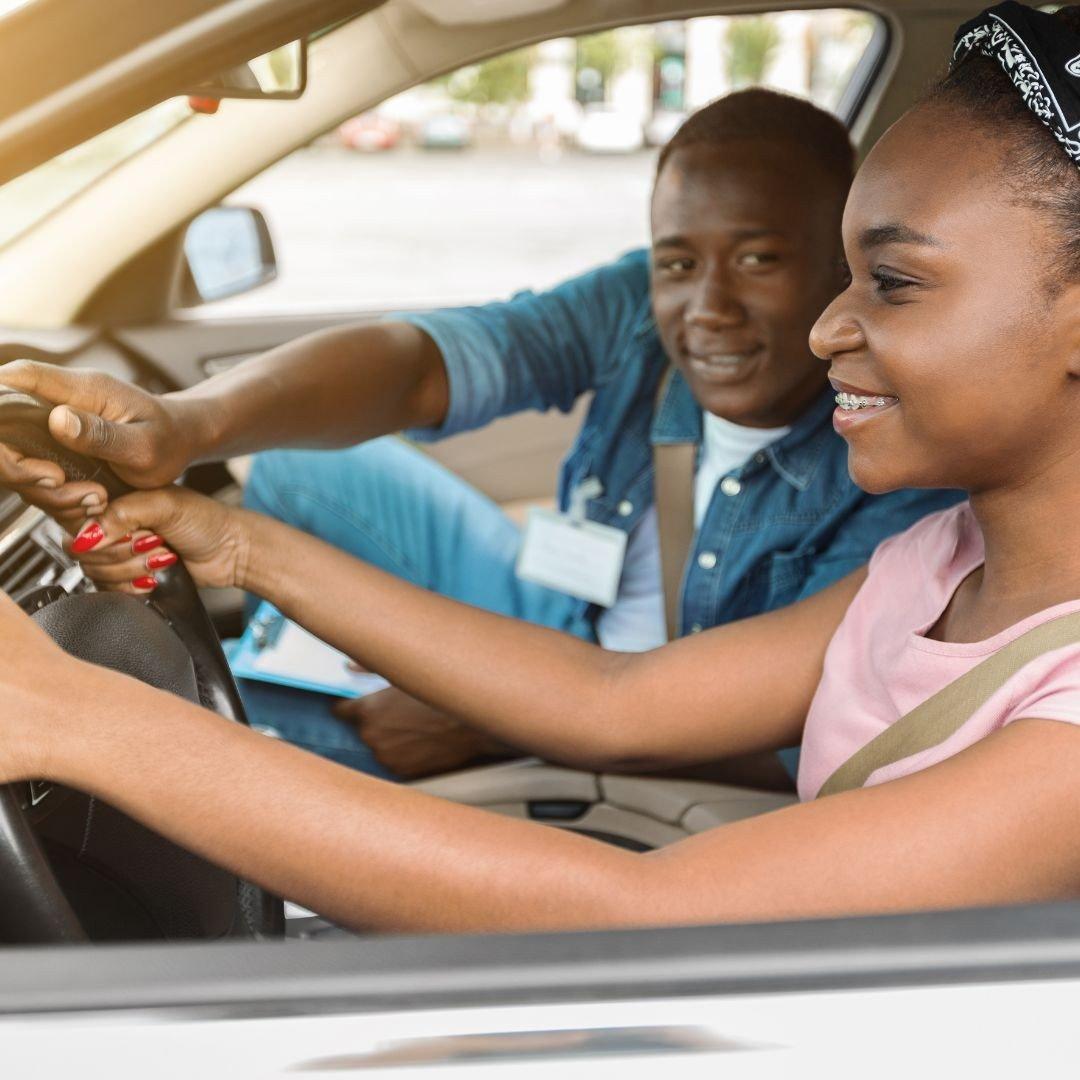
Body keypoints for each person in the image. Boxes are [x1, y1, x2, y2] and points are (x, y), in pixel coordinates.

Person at [3, 1, 1080, 933]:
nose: (824, 328)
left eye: (893, 282)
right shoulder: (939, 560)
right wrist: (231, 542)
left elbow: (642, 913)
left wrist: (89, 722)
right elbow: (615, 703)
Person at [0, 90, 959, 779]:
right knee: (288, 467)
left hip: (665, 718)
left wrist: (486, 721)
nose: (705, 306)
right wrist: (188, 423)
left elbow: (750, 732)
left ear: (841, 265)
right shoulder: (637, 306)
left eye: (759, 259)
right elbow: (420, 365)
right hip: (567, 617)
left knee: (241, 733)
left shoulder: (900, 471)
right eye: (677, 262)